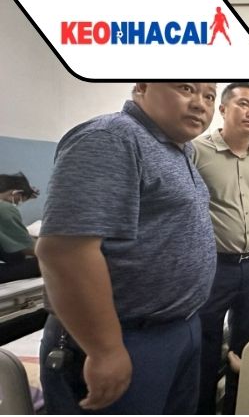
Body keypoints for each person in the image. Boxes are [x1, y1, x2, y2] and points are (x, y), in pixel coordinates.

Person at [36, 83, 218, 414]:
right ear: (142, 87)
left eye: (209, 96)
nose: (200, 104)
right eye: (186, 88)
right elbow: (65, 252)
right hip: (124, 336)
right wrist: (104, 349)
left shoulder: (180, 150)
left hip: (178, 327)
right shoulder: (111, 138)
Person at [192, 83, 249, 414]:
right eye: (244, 104)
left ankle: (236, 407)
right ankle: (203, 408)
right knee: (206, 342)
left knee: (247, 343)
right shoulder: (196, 152)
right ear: (223, 109)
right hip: (213, 266)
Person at [0, 172, 40, 284]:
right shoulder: (4, 208)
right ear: (16, 193)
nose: (17, 205)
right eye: (18, 201)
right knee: (42, 264)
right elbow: (29, 248)